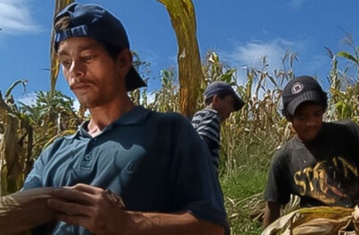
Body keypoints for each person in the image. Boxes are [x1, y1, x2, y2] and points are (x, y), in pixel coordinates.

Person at [21, 3, 229, 235]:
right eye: (65, 61)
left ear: (122, 62)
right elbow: (17, 216)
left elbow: (211, 226)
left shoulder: (169, 131)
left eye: (87, 57)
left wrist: (124, 223)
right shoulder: (54, 152)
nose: (75, 71)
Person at [263, 75, 359, 230]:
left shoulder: (348, 133)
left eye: (317, 114)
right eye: (302, 117)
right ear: (289, 118)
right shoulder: (284, 158)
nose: (311, 122)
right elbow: (272, 207)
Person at [191, 81, 244, 175]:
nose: (232, 109)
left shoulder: (197, 116)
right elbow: (202, 143)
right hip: (203, 177)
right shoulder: (213, 115)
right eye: (231, 103)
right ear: (216, 99)